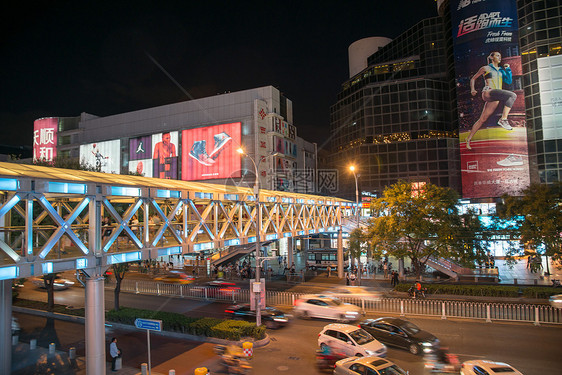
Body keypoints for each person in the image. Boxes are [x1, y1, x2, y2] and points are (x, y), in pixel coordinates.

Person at [465, 51, 517, 151]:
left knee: (482, 119)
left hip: (496, 96)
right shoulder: (486, 68)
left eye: (500, 56)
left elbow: (509, 81)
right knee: (512, 95)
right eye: (497, 55)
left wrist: (508, 69)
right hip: (488, 93)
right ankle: (503, 119)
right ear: (492, 57)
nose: (499, 57)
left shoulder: (501, 70)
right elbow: (473, 78)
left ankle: (468, 138)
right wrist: (472, 89)